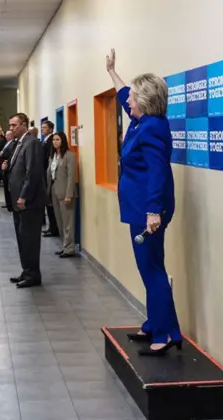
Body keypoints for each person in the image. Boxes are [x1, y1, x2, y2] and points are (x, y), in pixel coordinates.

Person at [106, 48, 180, 356]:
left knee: (152, 270)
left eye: (134, 98)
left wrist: (152, 211)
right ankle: (157, 324)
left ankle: (163, 335)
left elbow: (157, 172)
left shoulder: (151, 129)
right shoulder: (142, 122)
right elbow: (124, 93)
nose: (128, 101)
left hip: (148, 210)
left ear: (146, 102)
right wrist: (112, 71)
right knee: (149, 267)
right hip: (140, 208)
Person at [4, 113, 45, 288]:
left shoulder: (32, 143)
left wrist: (23, 196)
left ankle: (33, 275)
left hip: (29, 202)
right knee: (22, 238)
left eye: (14, 125)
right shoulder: (18, 144)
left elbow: (33, 173)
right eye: (10, 125)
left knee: (30, 239)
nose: (11, 128)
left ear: (24, 125)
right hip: (18, 202)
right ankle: (26, 270)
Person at [46, 132, 76, 258]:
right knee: (59, 221)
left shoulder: (69, 156)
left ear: (63, 141)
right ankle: (64, 246)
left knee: (67, 222)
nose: (55, 142)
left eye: (57, 139)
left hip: (65, 193)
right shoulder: (53, 156)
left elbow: (71, 176)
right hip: (54, 190)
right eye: (53, 140)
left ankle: (69, 248)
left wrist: (69, 194)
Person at [41, 120, 59, 238]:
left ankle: (54, 229)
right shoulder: (45, 141)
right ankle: (51, 227)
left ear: (51, 129)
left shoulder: (50, 141)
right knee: (48, 203)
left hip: (49, 176)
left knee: (51, 204)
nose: (42, 129)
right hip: (45, 175)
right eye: (42, 127)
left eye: (45, 128)